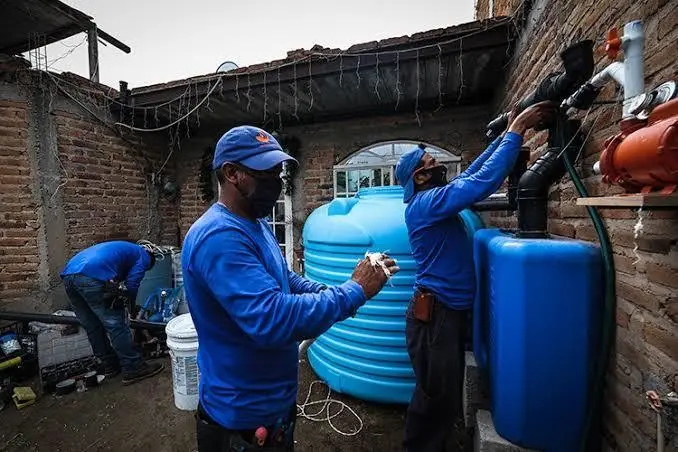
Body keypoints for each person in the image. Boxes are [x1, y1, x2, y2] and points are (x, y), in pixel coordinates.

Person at [181, 125, 399, 452]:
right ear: (231, 173)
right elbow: (272, 319)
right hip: (242, 418)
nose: (277, 181)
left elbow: (285, 278)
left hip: (273, 405)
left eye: (278, 171)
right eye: (266, 172)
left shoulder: (255, 223)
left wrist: (329, 291)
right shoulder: (219, 237)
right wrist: (354, 291)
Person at [395, 101, 556, 451]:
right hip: (433, 318)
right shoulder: (425, 205)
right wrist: (515, 133)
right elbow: (479, 184)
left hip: (443, 314)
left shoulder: (433, 199)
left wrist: (504, 138)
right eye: (431, 164)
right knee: (434, 396)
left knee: (442, 393)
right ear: (419, 178)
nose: (438, 167)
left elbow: (471, 176)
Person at [61, 240, 165, 385]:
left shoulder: (126, 250)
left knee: (92, 325)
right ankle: (133, 367)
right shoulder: (144, 257)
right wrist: (131, 307)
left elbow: (114, 279)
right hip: (90, 275)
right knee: (116, 324)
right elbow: (132, 285)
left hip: (69, 274)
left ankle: (109, 365)